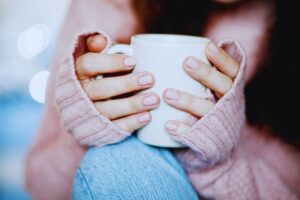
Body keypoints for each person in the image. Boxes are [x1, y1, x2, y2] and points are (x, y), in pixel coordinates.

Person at [25, 0, 300, 199]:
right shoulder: (107, 7)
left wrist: (220, 162)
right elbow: (40, 187)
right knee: (116, 162)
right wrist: (81, 135)